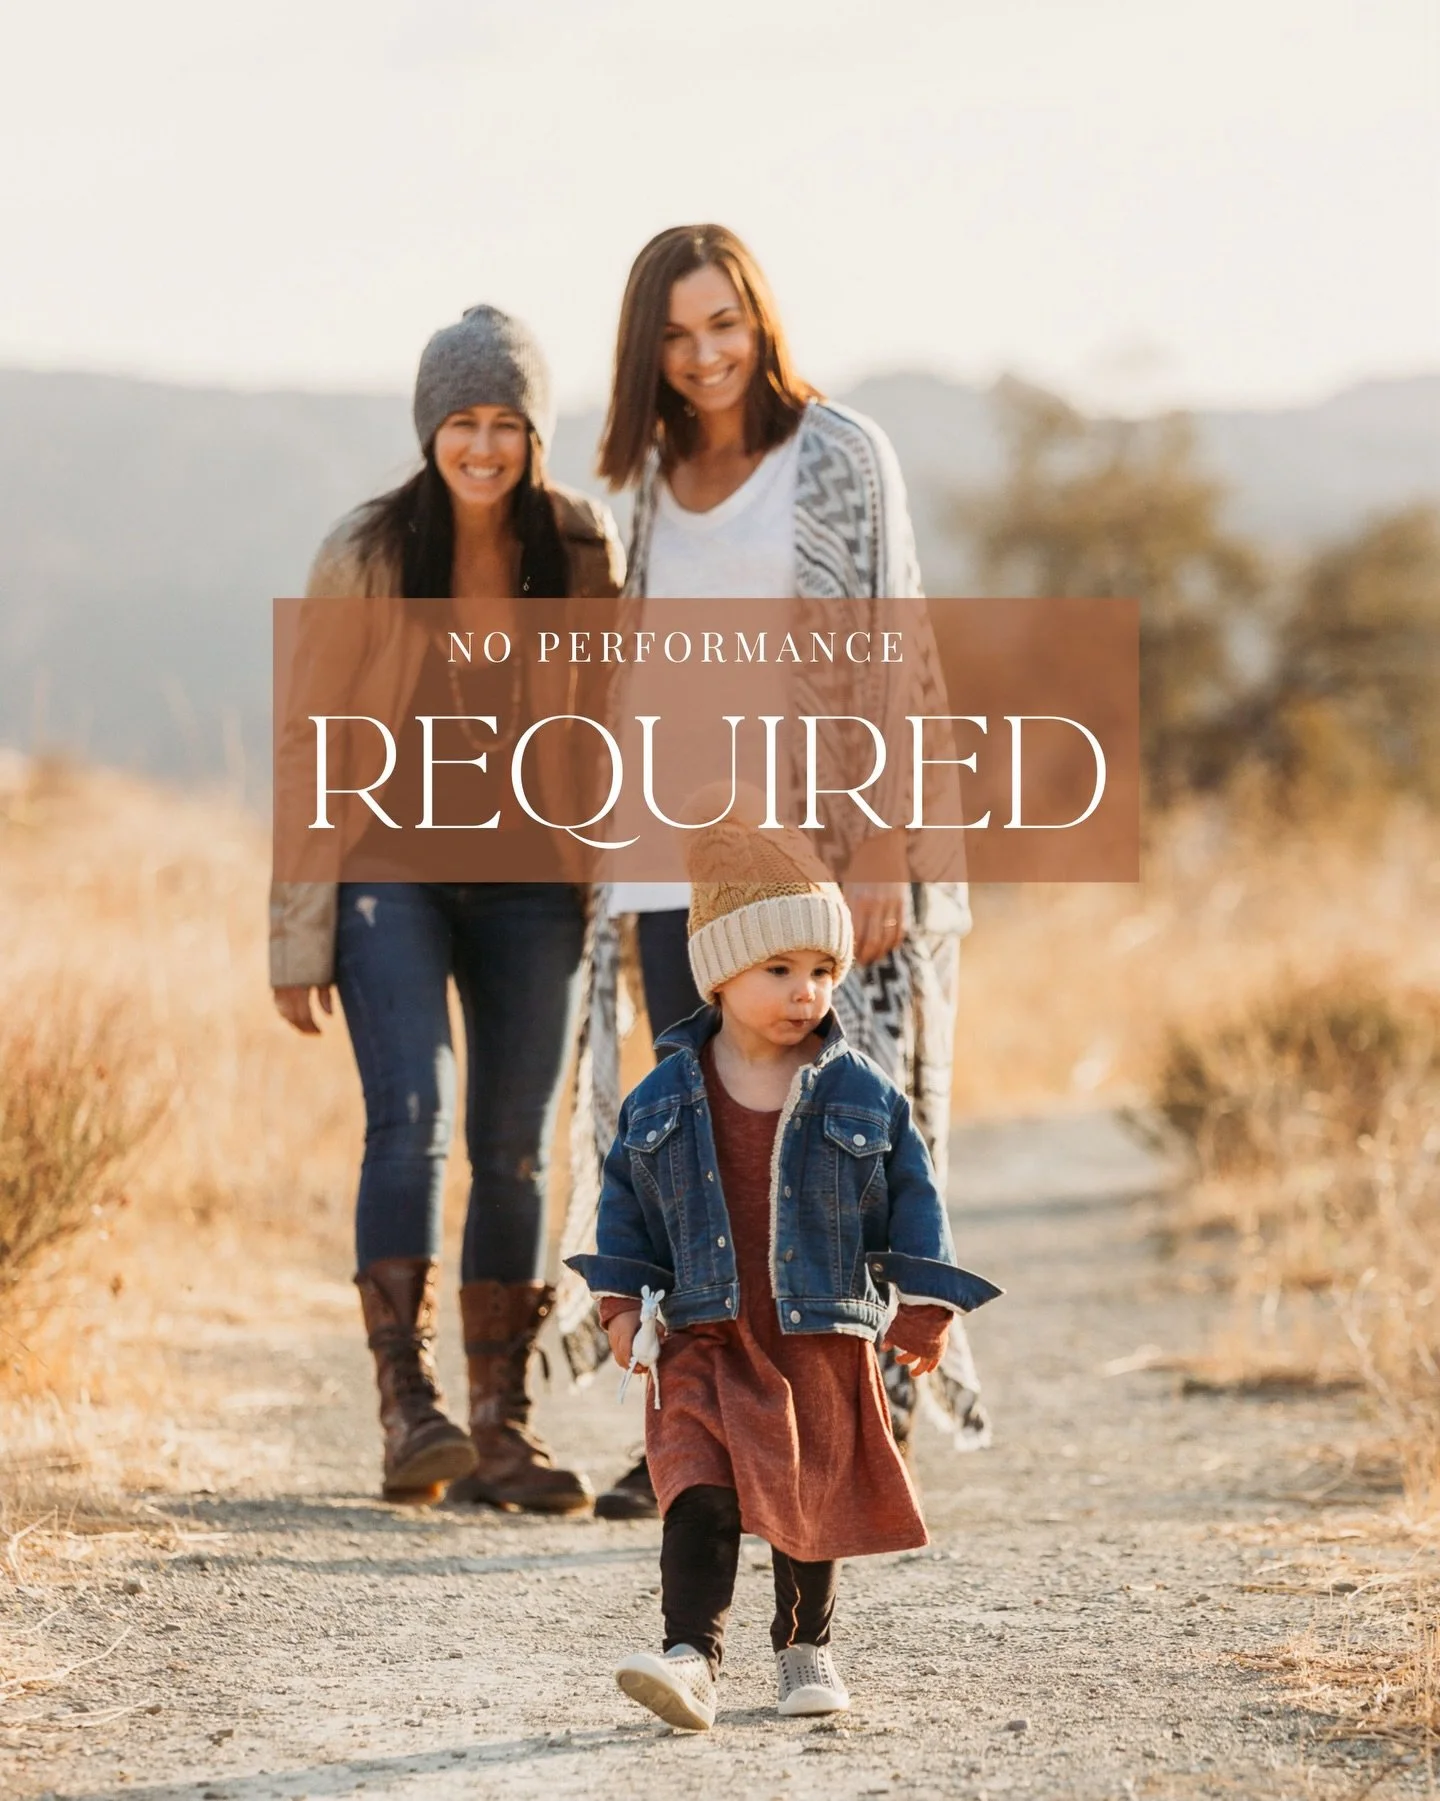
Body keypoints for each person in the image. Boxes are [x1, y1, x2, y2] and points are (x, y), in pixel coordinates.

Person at [557, 224, 986, 1524]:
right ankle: (687, 1436)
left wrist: (881, 849)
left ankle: (846, 1422)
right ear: (649, 348)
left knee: (831, 1148)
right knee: (691, 1152)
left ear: (760, 318)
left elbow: (896, 655)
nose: (704, 356)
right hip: (665, 860)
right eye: (677, 335)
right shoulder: (636, 480)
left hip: (810, 866)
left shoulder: (841, 454)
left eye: (722, 325)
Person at [270, 304, 624, 1510]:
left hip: (537, 887)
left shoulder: (583, 547)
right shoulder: (365, 552)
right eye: (461, 423)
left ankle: (498, 1427)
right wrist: (298, 929)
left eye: (506, 424)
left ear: (536, 434)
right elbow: (310, 742)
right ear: (430, 430)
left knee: (516, 1146)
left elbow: (616, 726)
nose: (483, 446)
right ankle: (407, 1410)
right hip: (392, 873)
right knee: (408, 1117)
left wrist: (612, 891)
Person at [565, 821, 1000, 1729]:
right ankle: (691, 1653)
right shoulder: (662, 1096)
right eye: (780, 970)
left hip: (813, 1334)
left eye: (823, 971)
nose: (807, 992)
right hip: (702, 1332)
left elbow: (914, 1194)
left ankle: (806, 1646)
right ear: (720, 974)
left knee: (811, 1502)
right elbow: (625, 1204)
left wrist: (924, 1302)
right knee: (696, 1488)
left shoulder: (861, 1091)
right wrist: (616, 1304)